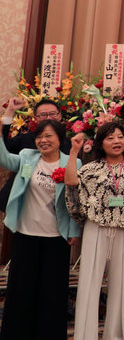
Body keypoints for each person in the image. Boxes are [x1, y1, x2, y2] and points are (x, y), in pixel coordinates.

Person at [0, 117, 81, 340]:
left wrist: (74, 230)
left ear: (59, 139)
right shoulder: (28, 157)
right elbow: (4, 158)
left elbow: (75, 199)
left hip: (56, 237)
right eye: (39, 136)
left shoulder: (71, 162)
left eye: (48, 136)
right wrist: (3, 126)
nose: (43, 140)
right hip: (26, 234)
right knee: (21, 290)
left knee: (52, 293)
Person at [65, 123, 124, 340]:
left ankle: (114, 335)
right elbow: (71, 181)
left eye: (120, 137)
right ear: (101, 143)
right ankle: (85, 335)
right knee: (89, 282)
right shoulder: (91, 168)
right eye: (110, 138)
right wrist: (74, 152)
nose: (116, 142)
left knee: (119, 286)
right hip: (96, 228)